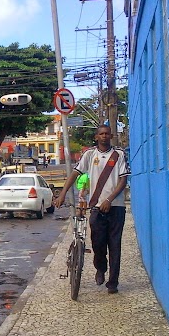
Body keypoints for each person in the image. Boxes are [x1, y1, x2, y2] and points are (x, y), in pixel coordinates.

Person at [55, 125, 130, 294]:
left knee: (115, 246)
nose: (104, 136)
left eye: (107, 134)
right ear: (96, 137)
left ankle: (113, 283)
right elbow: (74, 174)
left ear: (111, 136)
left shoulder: (118, 155)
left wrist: (110, 200)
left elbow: (123, 181)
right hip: (96, 208)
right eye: (101, 134)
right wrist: (62, 194)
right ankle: (100, 269)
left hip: (116, 207)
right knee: (98, 244)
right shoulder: (90, 154)